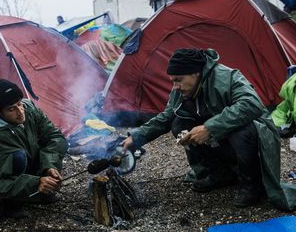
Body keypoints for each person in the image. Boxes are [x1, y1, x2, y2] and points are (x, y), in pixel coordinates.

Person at [121, 48, 296, 210]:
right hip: (221, 138)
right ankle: (219, 173)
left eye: (178, 80)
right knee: (178, 124)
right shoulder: (181, 90)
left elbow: (251, 105)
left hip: (254, 137)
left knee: (243, 131)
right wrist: (136, 137)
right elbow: (166, 117)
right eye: (172, 81)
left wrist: (209, 128)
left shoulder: (227, 77)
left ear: (196, 73)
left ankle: (252, 184)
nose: (174, 86)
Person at [0, 79, 68, 221]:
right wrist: (36, 183)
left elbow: (55, 137)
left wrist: (49, 166)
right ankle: (11, 202)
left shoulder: (29, 109)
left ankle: (39, 189)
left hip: (28, 170)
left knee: (43, 144)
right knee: (18, 156)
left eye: (19, 104)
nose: (20, 112)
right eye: (11, 109)